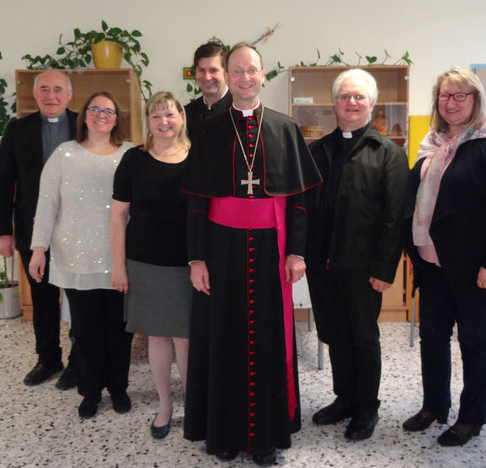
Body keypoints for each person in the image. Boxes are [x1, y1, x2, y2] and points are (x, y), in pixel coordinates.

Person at [182, 42, 322, 466]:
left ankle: (266, 435)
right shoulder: (207, 129)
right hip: (220, 248)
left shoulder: (283, 128)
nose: (245, 77)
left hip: (270, 248)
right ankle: (223, 432)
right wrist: (197, 258)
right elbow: (194, 201)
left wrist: (296, 252)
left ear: (264, 76)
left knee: (267, 337)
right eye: (236, 70)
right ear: (226, 75)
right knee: (221, 334)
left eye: (252, 70)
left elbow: (299, 200)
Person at [401, 68, 486, 447]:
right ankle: (434, 405)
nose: (451, 103)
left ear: (475, 100)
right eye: (444, 96)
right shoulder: (433, 141)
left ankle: (472, 416)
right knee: (433, 337)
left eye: (459, 96)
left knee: (473, 341)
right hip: (434, 261)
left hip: (476, 268)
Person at [305, 69, 409, 441]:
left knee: (363, 337)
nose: (351, 103)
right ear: (334, 103)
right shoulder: (316, 150)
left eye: (359, 97)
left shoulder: (389, 154)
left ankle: (367, 407)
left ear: (371, 103)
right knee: (334, 333)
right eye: (344, 96)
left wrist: (385, 268)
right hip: (322, 263)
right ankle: (344, 398)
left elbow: (396, 217)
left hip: (364, 269)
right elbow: (305, 209)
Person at [29, 91, 134, 419]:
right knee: (86, 331)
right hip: (75, 256)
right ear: (84, 116)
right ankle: (90, 391)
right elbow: (47, 202)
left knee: (120, 329)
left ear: (117, 118)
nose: (101, 115)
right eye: (95, 109)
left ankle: (118, 388)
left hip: (119, 259)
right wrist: (38, 249)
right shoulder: (65, 154)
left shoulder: (130, 154)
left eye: (109, 110)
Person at [110, 92, 191, 440]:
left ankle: (192, 405)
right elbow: (117, 216)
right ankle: (164, 405)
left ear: (181, 118)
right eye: (156, 117)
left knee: (186, 339)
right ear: (148, 122)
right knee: (157, 337)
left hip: (190, 263)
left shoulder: (198, 158)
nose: (163, 122)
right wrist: (119, 267)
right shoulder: (134, 159)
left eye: (169, 115)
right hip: (145, 261)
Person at [0, 69, 77, 390]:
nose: (51, 96)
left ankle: (79, 359)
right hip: (33, 229)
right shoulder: (18, 129)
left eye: (58, 89)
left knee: (77, 297)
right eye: (44, 89)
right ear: (34, 93)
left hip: (76, 228)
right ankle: (48, 357)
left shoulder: (84, 123)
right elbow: (3, 182)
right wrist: (2, 230)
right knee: (42, 296)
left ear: (69, 95)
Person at [185, 42, 232, 136]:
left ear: (226, 73)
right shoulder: (187, 114)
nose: (207, 77)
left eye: (213, 70)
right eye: (201, 70)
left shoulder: (240, 112)